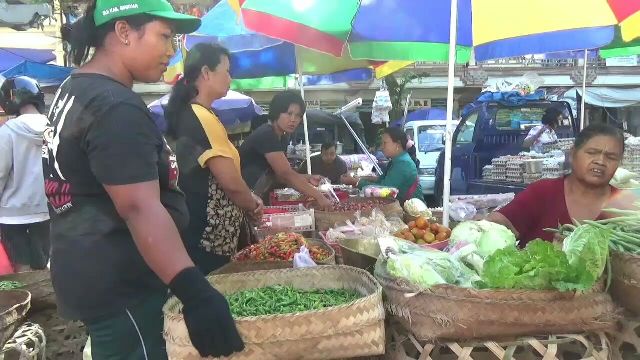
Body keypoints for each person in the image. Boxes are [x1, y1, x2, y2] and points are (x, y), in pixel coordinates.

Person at [43, 1, 243, 358]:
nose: (171, 51)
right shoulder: (113, 106)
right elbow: (137, 206)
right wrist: (194, 291)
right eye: (164, 37)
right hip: (122, 283)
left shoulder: (78, 88)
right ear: (123, 32)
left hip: (92, 272)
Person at [165, 43, 263, 275]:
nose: (230, 77)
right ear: (207, 73)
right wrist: (253, 204)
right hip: (209, 238)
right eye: (227, 70)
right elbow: (230, 182)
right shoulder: (201, 117)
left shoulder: (196, 114)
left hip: (203, 234)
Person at [488, 123, 635, 246]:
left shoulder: (625, 206)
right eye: (592, 152)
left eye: (611, 157)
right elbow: (502, 224)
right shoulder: (543, 193)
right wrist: (477, 229)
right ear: (572, 153)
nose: (601, 161)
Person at [239, 90, 332, 209]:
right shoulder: (267, 133)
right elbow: (285, 174)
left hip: (256, 196)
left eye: (298, 115)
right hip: (243, 197)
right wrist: (319, 196)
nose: (293, 119)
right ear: (277, 112)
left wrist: (308, 178)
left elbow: (277, 175)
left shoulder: (282, 136)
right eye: (289, 113)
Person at [0, 76, 50, 272]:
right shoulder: (54, 128)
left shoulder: (7, 132)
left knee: (21, 270)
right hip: (47, 211)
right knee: (44, 265)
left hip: (12, 216)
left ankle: (28, 302)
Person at [343, 127, 424, 203]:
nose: (381, 147)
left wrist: (357, 182)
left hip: (413, 213)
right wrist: (361, 178)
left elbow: (384, 190)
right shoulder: (397, 160)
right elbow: (382, 179)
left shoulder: (403, 163)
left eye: (385, 143)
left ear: (397, 144)